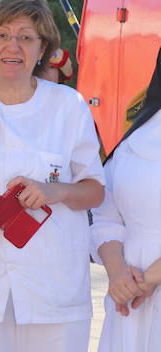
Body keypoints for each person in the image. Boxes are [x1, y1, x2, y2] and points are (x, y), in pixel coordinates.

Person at [0, 0, 105, 352]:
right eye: (1, 35)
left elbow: (95, 190)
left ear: (42, 50)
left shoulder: (68, 105)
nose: (13, 46)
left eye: (26, 36)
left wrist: (57, 191)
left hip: (54, 288)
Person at [91, 48, 161, 351]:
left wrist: (149, 279)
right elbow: (106, 214)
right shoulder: (140, 131)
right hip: (129, 297)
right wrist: (118, 271)